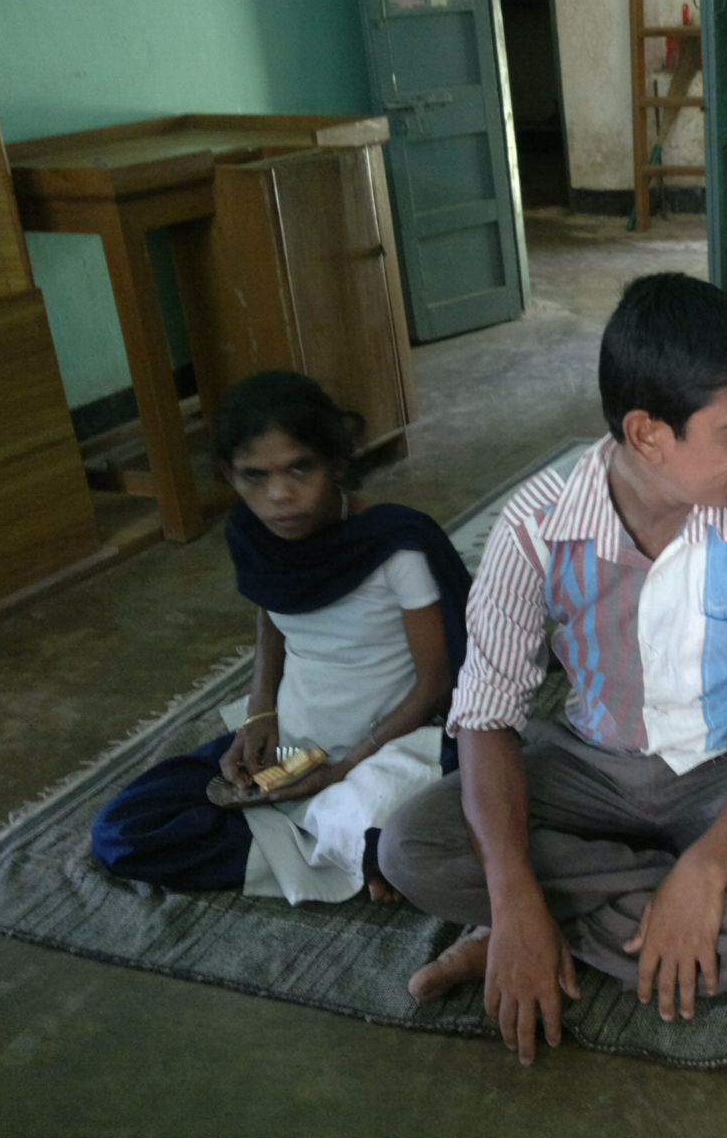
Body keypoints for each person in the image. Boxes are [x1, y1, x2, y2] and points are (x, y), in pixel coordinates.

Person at [378, 273, 727, 1066]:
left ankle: (575, 929)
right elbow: (485, 714)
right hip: (586, 767)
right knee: (410, 846)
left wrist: (708, 866)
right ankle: (631, 930)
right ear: (647, 435)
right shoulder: (536, 525)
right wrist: (512, 892)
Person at [91, 371, 472, 904]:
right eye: (254, 476)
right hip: (298, 742)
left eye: (300, 468)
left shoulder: (395, 545)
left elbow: (435, 683)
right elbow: (272, 622)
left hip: (391, 745)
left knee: (413, 829)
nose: (278, 496)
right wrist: (259, 717)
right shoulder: (253, 535)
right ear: (228, 475)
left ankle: (355, 849)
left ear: (336, 463)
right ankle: (347, 854)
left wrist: (346, 766)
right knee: (123, 831)